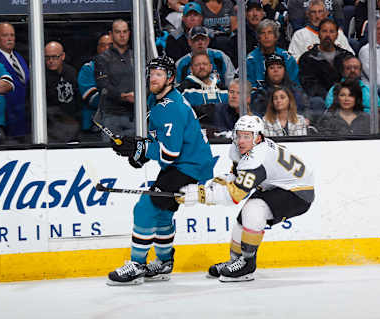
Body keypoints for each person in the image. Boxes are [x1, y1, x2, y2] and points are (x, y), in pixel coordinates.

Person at [108, 55, 217, 285]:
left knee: (145, 208)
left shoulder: (170, 107)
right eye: (151, 74)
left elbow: (169, 154)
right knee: (163, 212)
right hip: (188, 164)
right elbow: (160, 141)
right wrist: (139, 153)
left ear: (170, 78)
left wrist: (142, 148)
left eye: (159, 74)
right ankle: (164, 263)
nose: (153, 78)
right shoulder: (157, 100)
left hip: (189, 167)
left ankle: (137, 265)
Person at [178, 114, 315, 282]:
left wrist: (200, 195)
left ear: (257, 138)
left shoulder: (258, 158)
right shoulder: (241, 148)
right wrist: (211, 187)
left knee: (253, 210)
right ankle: (235, 261)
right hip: (277, 185)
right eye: (239, 135)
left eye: (247, 136)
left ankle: (247, 265)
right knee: (243, 219)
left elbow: (235, 194)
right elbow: (235, 176)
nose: (241, 140)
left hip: (298, 193)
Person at [94, 19, 135, 137]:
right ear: (111, 34)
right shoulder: (102, 58)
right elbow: (103, 85)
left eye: (125, 31)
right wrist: (123, 96)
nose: (122, 35)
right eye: (118, 32)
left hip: (135, 114)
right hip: (111, 115)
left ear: (129, 33)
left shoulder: (136, 56)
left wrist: (139, 96)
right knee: (110, 153)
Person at [0, 22, 30, 142]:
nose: (9, 39)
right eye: (5, 35)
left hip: (24, 120)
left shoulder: (18, 56)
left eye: (12, 35)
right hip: (6, 121)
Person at [288, 0, 354, 63]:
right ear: (308, 15)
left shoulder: (338, 33)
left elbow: (351, 57)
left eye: (320, 11)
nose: (317, 16)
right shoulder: (299, 35)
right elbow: (293, 60)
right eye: (313, 12)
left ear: (326, 14)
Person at [251, 54, 310, 120]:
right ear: (267, 72)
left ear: (284, 70)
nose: (276, 70)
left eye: (279, 67)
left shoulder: (295, 89)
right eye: (271, 68)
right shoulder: (261, 93)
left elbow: (306, 109)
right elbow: (256, 115)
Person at [246, 19, 300, 92]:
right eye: (263, 33)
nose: (266, 36)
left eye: (270, 33)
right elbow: (248, 88)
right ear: (258, 38)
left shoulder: (287, 58)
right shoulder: (250, 59)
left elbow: (295, 85)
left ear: (276, 37)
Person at [77, 32, 112, 141]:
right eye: (102, 45)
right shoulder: (88, 69)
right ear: (97, 48)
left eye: (110, 45)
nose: (106, 48)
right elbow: (92, 99)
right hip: (93, 129)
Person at [44, 41, 80, 143]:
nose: (51, 61)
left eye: (55, 57)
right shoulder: (40, 76)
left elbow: (78, 98)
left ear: (63, 56)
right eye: (47, 57)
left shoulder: (71, 72)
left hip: (73, 125)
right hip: (51, 128)